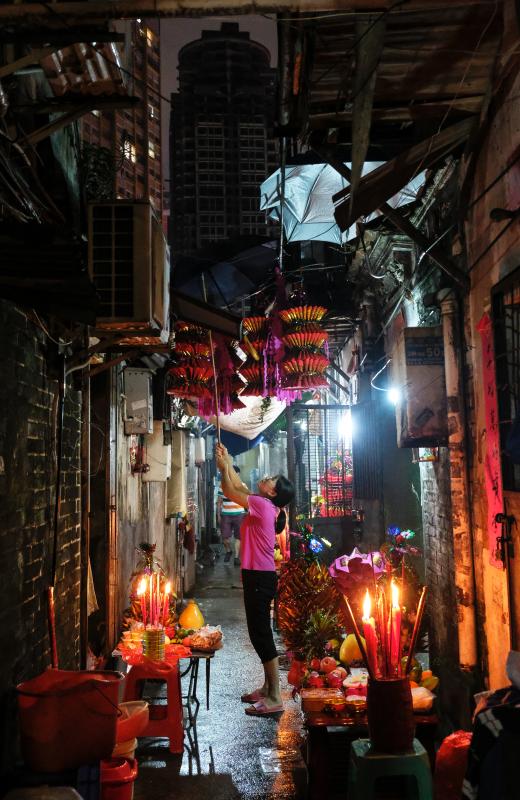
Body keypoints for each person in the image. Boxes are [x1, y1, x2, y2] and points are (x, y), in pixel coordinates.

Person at [216, 442, 294, 716]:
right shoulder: (266, 505)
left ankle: (275, 696)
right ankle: (267, 687)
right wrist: (227, 460)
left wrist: (224, 468)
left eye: (272, 479)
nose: (267, 477)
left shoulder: (262, 505)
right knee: (258, 632)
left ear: (273, 492)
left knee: (261, 634)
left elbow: (229, 491)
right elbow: (238, 486)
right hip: (258, 576)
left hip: (260, 578)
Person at [217, 466, 245, 565]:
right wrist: (218, 515)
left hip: (239, 514)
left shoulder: (242, 486)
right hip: (226, 515)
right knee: (224, 537)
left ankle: (236, 557)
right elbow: (219, 502)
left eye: (237, 475)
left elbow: (247, 500)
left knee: (239, 536)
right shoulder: (222, 485)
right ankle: (229, 550)